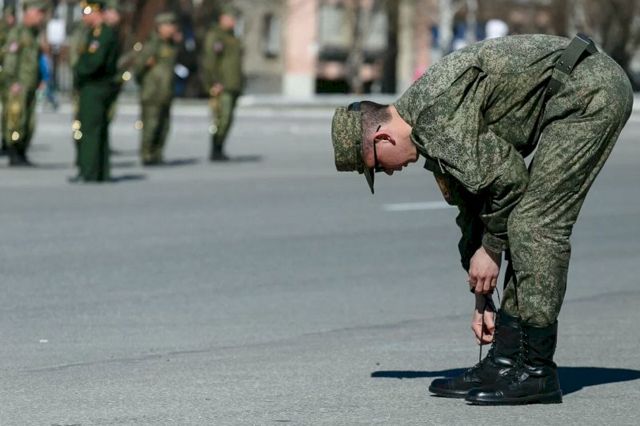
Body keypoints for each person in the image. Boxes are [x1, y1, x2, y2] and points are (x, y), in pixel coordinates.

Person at [330, 34, 633, 405]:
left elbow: (510, 180)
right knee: (520, 223)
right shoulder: (428, 134)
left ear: (382, 138)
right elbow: (472, 207)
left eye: (377, 168)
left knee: (535, 225)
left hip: (590, 92)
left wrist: (490, 250)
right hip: (570, 93)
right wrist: (481, 295)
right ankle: (505, 361)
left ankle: (537, 371)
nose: (388, 174)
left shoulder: (436, 121)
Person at [71, 0, 119, 182]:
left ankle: (90, 171)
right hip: (96, 86)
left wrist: (79, 70)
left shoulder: (102, 34)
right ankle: (99, 171)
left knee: (90, 130)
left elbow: (94, 62)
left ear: (96, 11)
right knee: (97, 130)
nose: (84, 17)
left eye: (86, 12)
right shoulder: (94, 33)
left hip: (95, 87)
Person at [1, 0, 48, 166]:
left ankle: (22, 151)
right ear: (29, 12)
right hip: (18, 85)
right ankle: (14, 150)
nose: (41, 17)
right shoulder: (18, 33)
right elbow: (11, 60)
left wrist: (41, 80)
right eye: (39, 13)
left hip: (30, 84)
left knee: (29, 120)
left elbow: (37, 61)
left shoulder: (34, 34)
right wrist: (13, 82)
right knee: (16, 120)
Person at [132, 12, 180, 165]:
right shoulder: (151, 45)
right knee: (150, 126)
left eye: (172, 25)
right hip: (152, 92)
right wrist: (145, 71)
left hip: (166, 91)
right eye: (167, 26)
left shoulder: (172, 45)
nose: (171, 29)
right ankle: (147, 154)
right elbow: (138, 68)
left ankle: (157, 154)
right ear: (159, 27)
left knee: (164, 126)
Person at [201, 5, 243, 162]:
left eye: (234, 19)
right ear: (222, 18)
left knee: (228, 119)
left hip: (233, 84)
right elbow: (210, 61)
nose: (232, 22)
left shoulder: (233, 37)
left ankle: (220, 148)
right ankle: (215, 148)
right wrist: (213, 82)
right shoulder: (215, 36)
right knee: (221, 119)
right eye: (230, 18)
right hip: (221, 85)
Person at [0, 5, 17, 156]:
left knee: (9, 111)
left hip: (8, 77)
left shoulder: (15, 31)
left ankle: (7, 141)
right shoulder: (3, 31)